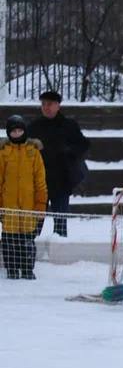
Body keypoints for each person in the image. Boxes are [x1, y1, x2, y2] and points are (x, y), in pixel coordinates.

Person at [27, 90, 89, 238]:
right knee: (35, 222)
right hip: (39, 180)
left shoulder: (69, 125)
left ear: (58, 106)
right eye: (43, 104)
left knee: (60, 222)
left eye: (49, 104)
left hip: (62, 180)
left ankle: (60, 247)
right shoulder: (34, 126)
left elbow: (83, 144)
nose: (46, 107)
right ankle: (32, 247)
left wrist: (68, 150)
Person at [0, 116, 48, 279]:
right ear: (9, 133)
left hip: (29, 206)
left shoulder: (33, 152)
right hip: (8, 206)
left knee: (27, 240)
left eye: (20, 130)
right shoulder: (3, 153)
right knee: (9, 240)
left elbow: (40, 182)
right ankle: (12, 269)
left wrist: (40, 205)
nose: (17, 133)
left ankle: (27, 269)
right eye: (13, 131)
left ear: (25, 131)